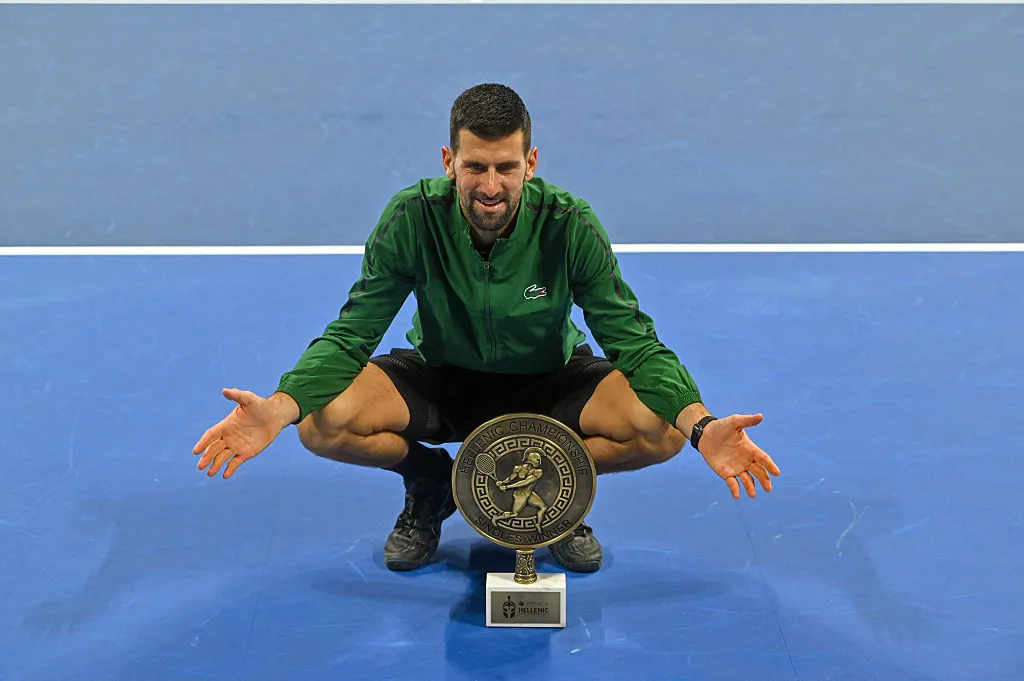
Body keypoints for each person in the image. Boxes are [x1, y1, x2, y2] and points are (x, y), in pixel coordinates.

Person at [193, 83, 781, 574]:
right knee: (321, 424)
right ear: (450, 162)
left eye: (506, 166)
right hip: (443, 376)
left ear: (531, 162)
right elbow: (353, 333)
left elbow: (632, 339)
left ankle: (557, 495)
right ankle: (434, 483)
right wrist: (278, 406)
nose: (491, 186)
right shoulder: (411, 217)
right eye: (475, 167)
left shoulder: (569, 225)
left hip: (550, 382)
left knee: (663, 432)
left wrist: (702, 425)